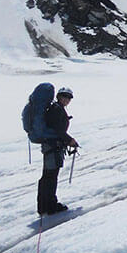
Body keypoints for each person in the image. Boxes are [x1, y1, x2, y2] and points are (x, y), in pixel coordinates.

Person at [37, 86, 79, 215]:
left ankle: (44, 206)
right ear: (59, 96)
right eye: (65, 97)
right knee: (50, 177)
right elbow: (58, 130)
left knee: (47, 176)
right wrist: (70, 140)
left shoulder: (55, 108)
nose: (67, 100)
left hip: (51, 146)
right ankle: (50, 206)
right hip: (53, 147)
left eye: (69, 98)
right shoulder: (56, 110)